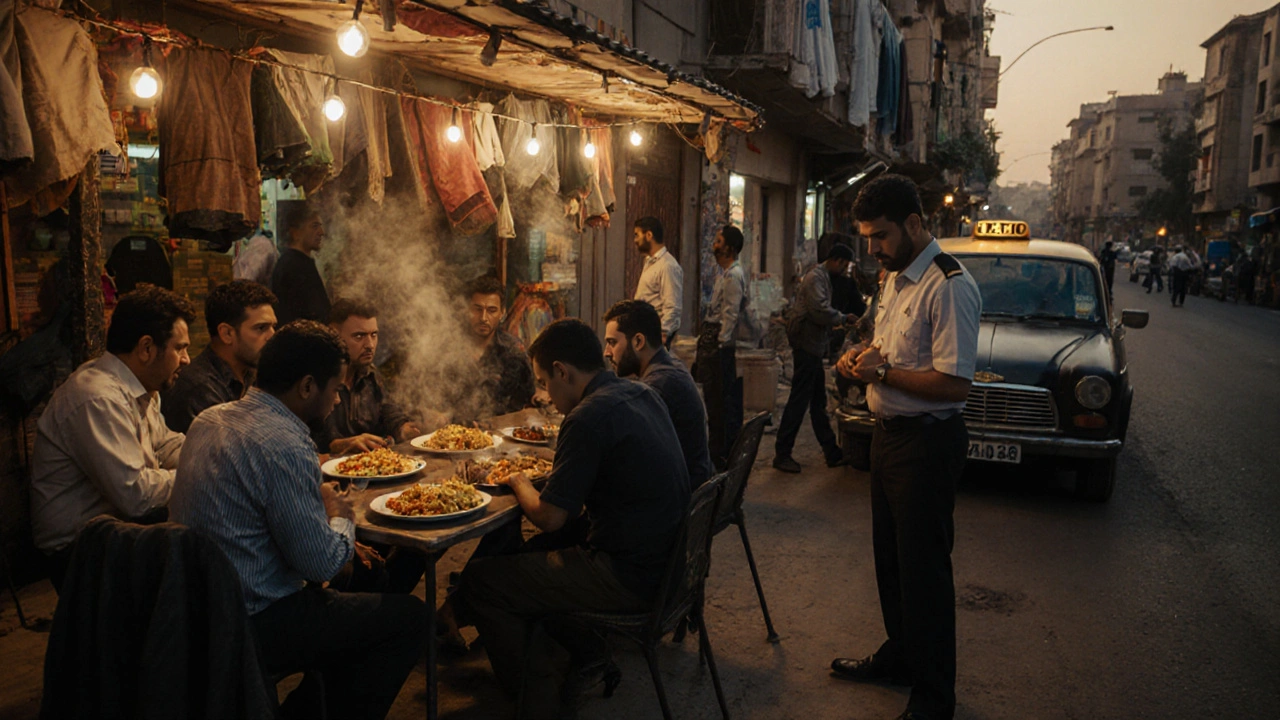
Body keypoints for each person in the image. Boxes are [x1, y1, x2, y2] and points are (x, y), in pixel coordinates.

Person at [170, 321, 425, 720]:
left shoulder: (211, 419)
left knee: (370, 581)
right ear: (307, 387)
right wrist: (340, 515)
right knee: (410, 618)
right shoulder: (285, 442)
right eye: (336, 389)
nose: (338, 401)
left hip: (196, 602)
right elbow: (322, 564)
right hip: (252, 617)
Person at [457, 318, 690, 718]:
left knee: (481, 581)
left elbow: (549, 517)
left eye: (545, 382)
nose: (545, 394)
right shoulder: (640, 393)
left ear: (562, 371)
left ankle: (539, 691)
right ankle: (577, 654)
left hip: (630, 578)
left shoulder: (586, 416)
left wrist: (516, 478)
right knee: (533, 555)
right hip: (672, 567)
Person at [830, 174, 981, 720]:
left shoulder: (950, 284)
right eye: (867, 238)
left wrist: (886, 371)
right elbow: (883, 347)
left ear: (915, 225)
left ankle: (935, 696)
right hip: (888, 440)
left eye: (881, 236)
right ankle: (901, 657)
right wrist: (861, 358)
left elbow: (953, 384)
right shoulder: (893, 279)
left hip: (928, 444)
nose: (873, 249)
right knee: (891, 565)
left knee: (924, 575)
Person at [30, 286, 194, 591]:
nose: (186, 359)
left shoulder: (142, 388)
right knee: (199, 558)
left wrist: (213, 453)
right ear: (146, 348)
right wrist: (199, 473)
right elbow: (137, 497)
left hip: (117, 532)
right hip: (78, 551)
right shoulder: (98, 398)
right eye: (180, 348)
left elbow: (166, 445)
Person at [603, 299, 714, 489]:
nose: (607, 352)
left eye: (612, 343)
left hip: (681, 496)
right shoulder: (669, 364)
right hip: (692, 483)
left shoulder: (659, 385)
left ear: (638, 341)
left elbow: (630, 454)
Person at [773, 241, 859, 473]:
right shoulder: (815, 278)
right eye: (844, 265)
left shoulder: (823, 278)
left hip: (813, 346)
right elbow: (819, 310)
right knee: (800, 401)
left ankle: (831, 451)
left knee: (817, 401)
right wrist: (842, 318)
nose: (844, 270)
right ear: (837, 260)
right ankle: (782, 452)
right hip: (806, 346)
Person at [162, 280, 277, 433]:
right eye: (261, 328)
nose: (272, 336)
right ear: (227, 333)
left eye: (273, 327)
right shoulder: (197, 390)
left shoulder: (251, 374)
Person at [313, 299, 420, 455]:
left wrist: (404, 428)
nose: (369, 344)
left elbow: (388, 412)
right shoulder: (317, 379)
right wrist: (344, 444)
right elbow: (314, 439)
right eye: (359, 336)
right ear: (334, 333)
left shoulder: (371, 375)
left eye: (374, 335)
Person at [698, 224, 748, 468]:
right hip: (713, 345)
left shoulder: (733, 276)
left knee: (719, 405)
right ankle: (717, 453)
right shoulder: (725, 274)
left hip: (718, 348)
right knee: (714, 403)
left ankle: (721, 457)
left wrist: (719, 346)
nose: (714, 246)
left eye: (718, 241)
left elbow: (730, 315)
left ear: (729, 247)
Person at [457, 274, 536, 419]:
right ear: (466, 309)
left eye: (491, 310)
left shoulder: (513, 352)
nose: (483, 318)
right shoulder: (448, 349)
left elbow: (528, 403)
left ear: (502, 313)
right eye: (477, 309)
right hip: (450, 434)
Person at [271, 199, 331, 326]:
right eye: (314, 226)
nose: (321, 232)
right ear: (295, 233)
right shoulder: (292, 265)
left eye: (320, 226)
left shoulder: (299, 261)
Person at [632, 216, 683, 347]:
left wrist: (663, 334)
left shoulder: (668, 266)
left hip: (655, 337)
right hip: (644, 333)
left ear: (649, 235)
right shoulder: (650, 262)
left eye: (637, 235)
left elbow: (673, 307)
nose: (635, 240)